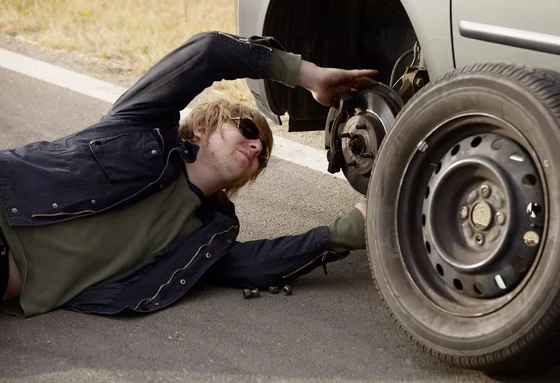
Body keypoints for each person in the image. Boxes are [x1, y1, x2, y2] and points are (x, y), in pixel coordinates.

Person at [0, 31, 377, 318]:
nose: (257, 147)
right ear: (200, 128)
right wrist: (307, 76)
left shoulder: (208, 232)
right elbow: (208, 52)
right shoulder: (137, 129)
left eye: (262, 153)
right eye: (247, 130)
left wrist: (351, 229)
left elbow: (256, 264)